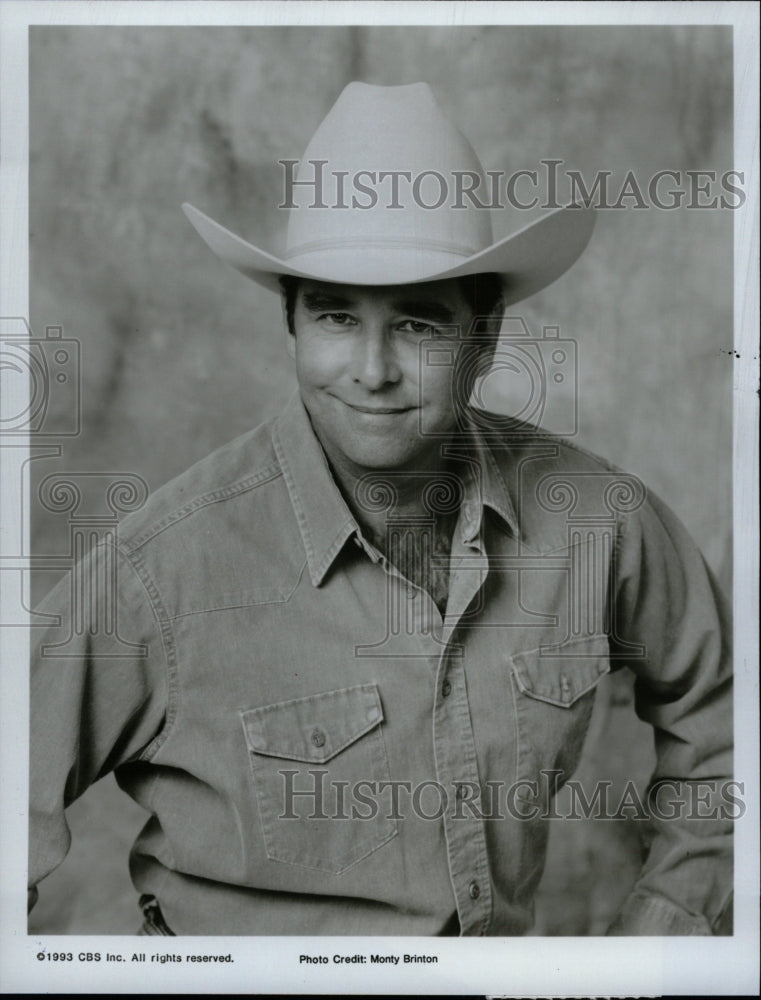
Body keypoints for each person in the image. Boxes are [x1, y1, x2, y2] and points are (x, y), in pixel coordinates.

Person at [28, 82, 733, 937]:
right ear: (289, 324)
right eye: (333, 315)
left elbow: (728, 714)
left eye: (416, 324)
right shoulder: (162, 570)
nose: (371, 369)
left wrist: (663, 929)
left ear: (486, 336)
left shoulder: (594, 518)